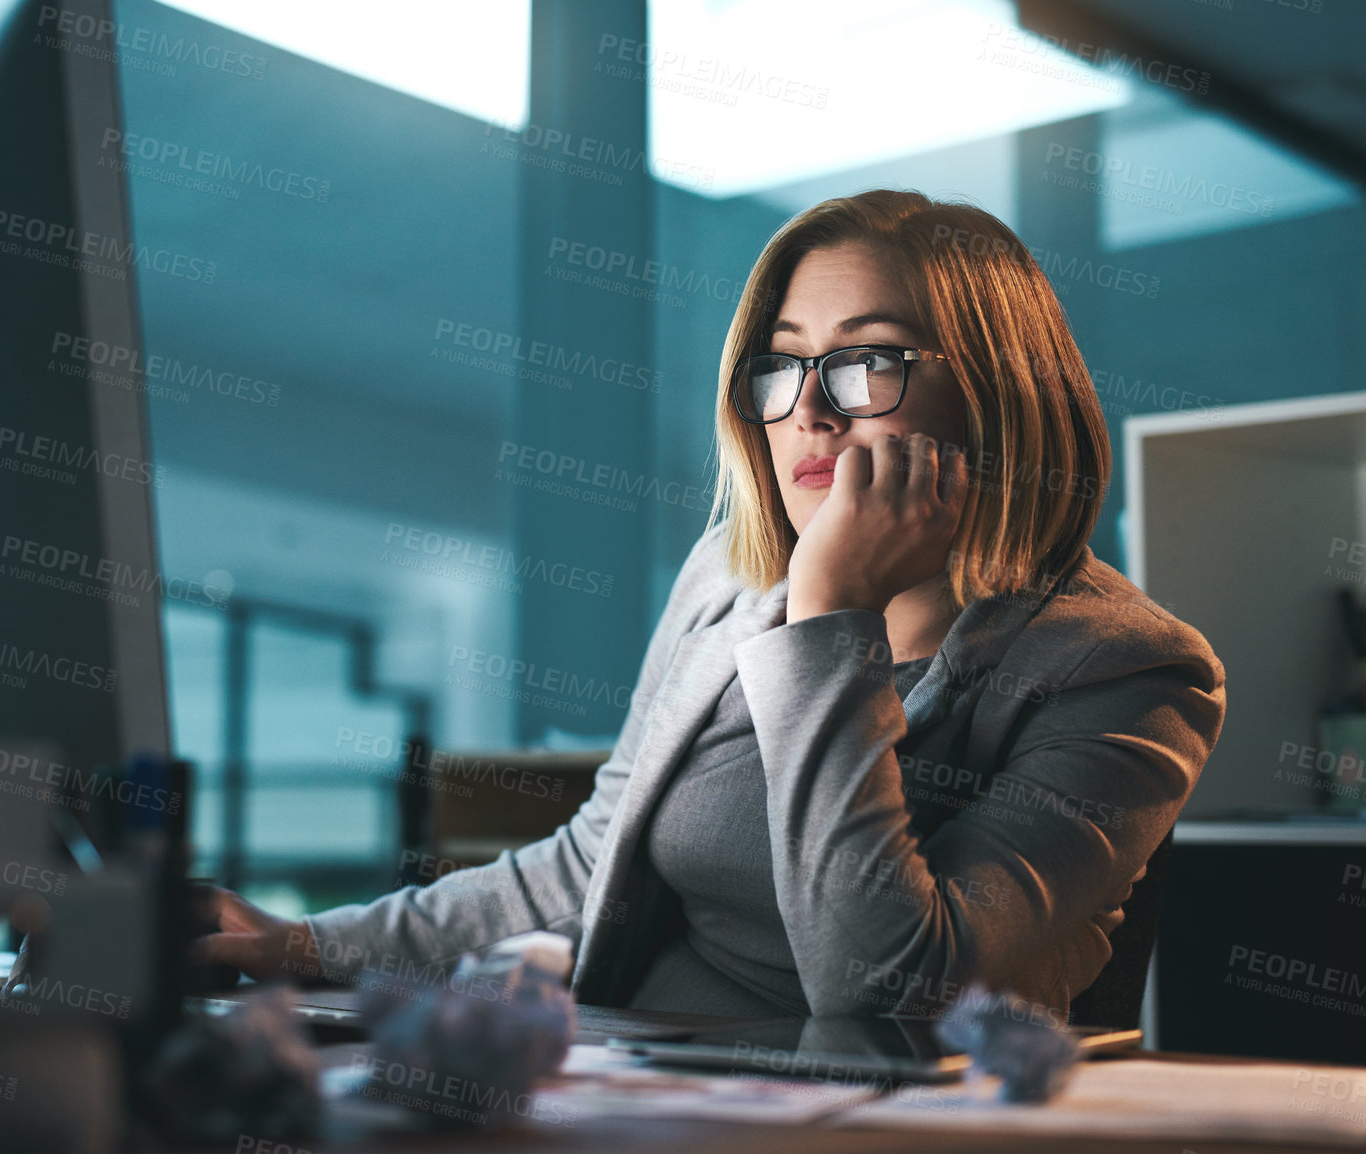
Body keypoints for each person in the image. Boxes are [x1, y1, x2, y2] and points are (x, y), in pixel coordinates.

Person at [188, 189, 1226, 1022]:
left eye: (867, 361)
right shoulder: (728, 580)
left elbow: (887, 986)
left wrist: (827, 622)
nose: (809, 409)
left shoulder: (1125, 670)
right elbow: (588, 864)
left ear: (999, 391)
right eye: (781, 363)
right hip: (617, 1082)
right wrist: (301, 944)